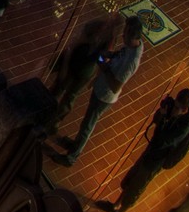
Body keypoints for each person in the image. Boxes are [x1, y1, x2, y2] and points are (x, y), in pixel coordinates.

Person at [92, 89, 189, 212]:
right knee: (130, 180)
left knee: (134, 191)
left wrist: (164, 119)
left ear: (185, 109)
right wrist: (162, 113)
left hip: (155, 162)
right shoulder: (173, 111)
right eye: (174, 105)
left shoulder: (183, 128)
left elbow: (162, 141)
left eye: (177, 108)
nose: (174, 109)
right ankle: (115, 206)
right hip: (149, 153)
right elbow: (156, 122)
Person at [54, 15, 144, 165]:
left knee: (87, 126)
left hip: (104, 96)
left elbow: (116, 86)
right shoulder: (133, 46)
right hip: (100, 88)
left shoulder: (131, 62)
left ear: (132, 35)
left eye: (125, 33)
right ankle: (74, 145)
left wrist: (104, 67)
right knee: (86, 123)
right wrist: (108, 56)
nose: (123, 35)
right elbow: (119, 54)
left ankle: (72, 157)